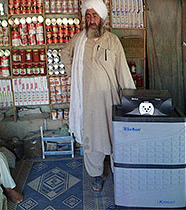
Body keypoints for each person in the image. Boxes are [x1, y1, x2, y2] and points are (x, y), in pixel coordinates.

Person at [61, 0, 136, 192]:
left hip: (109, 99)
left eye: (94, 16)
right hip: (87, 101)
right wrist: (74, 74)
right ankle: (97, 174)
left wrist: (132, 98)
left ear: (101, 18)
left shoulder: (112, 40)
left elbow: (123, 71)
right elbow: (65, 54)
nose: (91, 20)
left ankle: (118, 170)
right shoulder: (78, 39)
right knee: (91, 138)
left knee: (114, 136)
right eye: (88, 16)